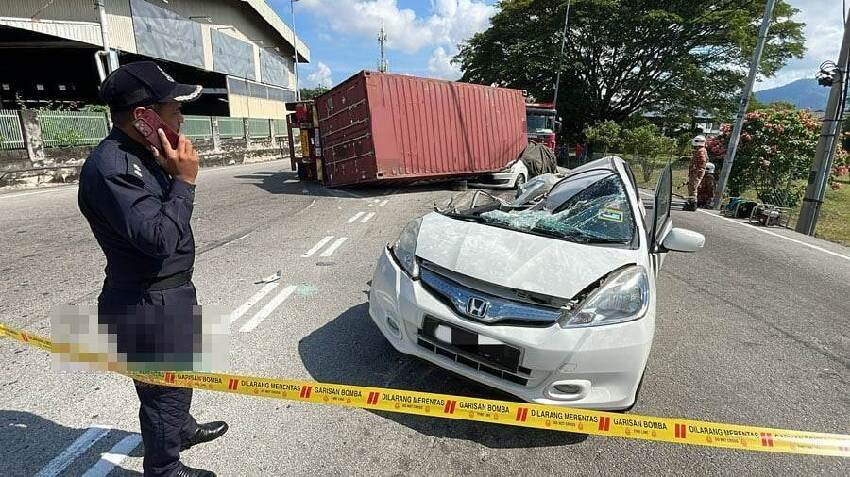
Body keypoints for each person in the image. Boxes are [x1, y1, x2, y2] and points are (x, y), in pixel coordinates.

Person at [78, 61, 227, 477]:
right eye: (173, 107)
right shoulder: (113, 168)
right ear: (144, 117)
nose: (181, 115)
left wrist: (169, 171)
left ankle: (180, 429)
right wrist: (184, 181)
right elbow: (159, 237)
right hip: (146, 301)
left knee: (177, 378)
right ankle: (163, 467)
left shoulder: (143, 155)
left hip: (168, 293)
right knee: (162, 392)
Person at [684, 135, 708, 211]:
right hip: (696, 171)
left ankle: (692, 204)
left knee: (693, 187)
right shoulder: (700, 150)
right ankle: (691, 202)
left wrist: (696, 169)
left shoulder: (701, 151)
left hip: (697, 172)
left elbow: (702, 162)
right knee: (692, 186)